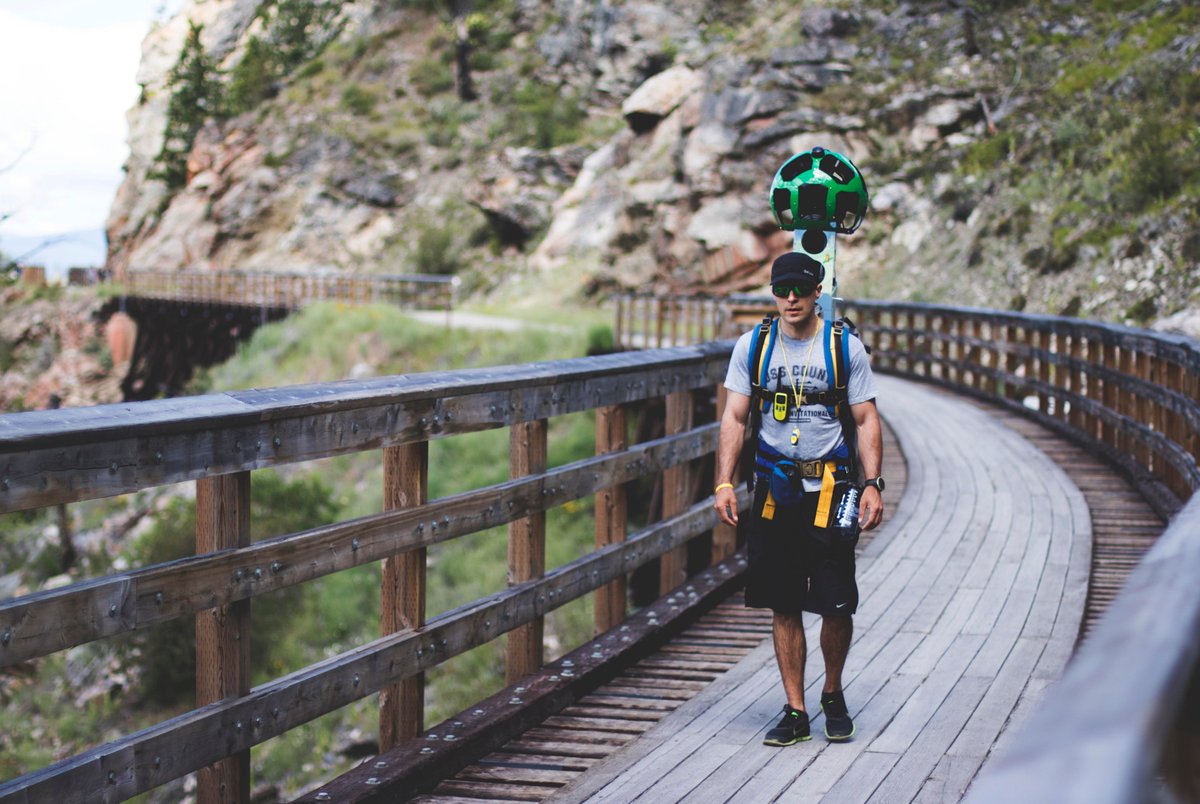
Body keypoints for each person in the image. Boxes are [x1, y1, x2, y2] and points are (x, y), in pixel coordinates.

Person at [713, 251, 884, 745]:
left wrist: (872, 484)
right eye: (781, 288)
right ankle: (795, 708)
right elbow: (735, 418)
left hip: (830, 490)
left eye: (800, 289)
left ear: (816, 293)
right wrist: (724, 481)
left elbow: (866, 419)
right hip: (773, 491)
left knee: (836, 603)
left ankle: (832, 691)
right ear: (773, 292)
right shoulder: (754, 346)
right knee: (783, 603)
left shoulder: (843, 348)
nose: (790, 298)